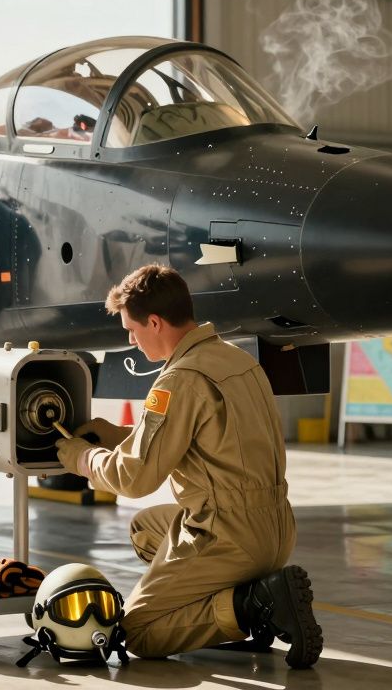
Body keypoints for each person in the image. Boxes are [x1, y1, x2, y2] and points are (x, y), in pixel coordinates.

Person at [54, 264, 323, 669]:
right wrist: (116, 434)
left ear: (156, 322)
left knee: (139, 632)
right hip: (276, 527)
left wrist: (80, 458)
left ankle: (253, 605)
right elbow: (201, 438)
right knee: (145, 530)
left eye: (132, 329)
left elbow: (133, 478)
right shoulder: (237, 360)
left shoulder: (178, 380)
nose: (131, 339)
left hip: (227, 535)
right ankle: (247, 598)